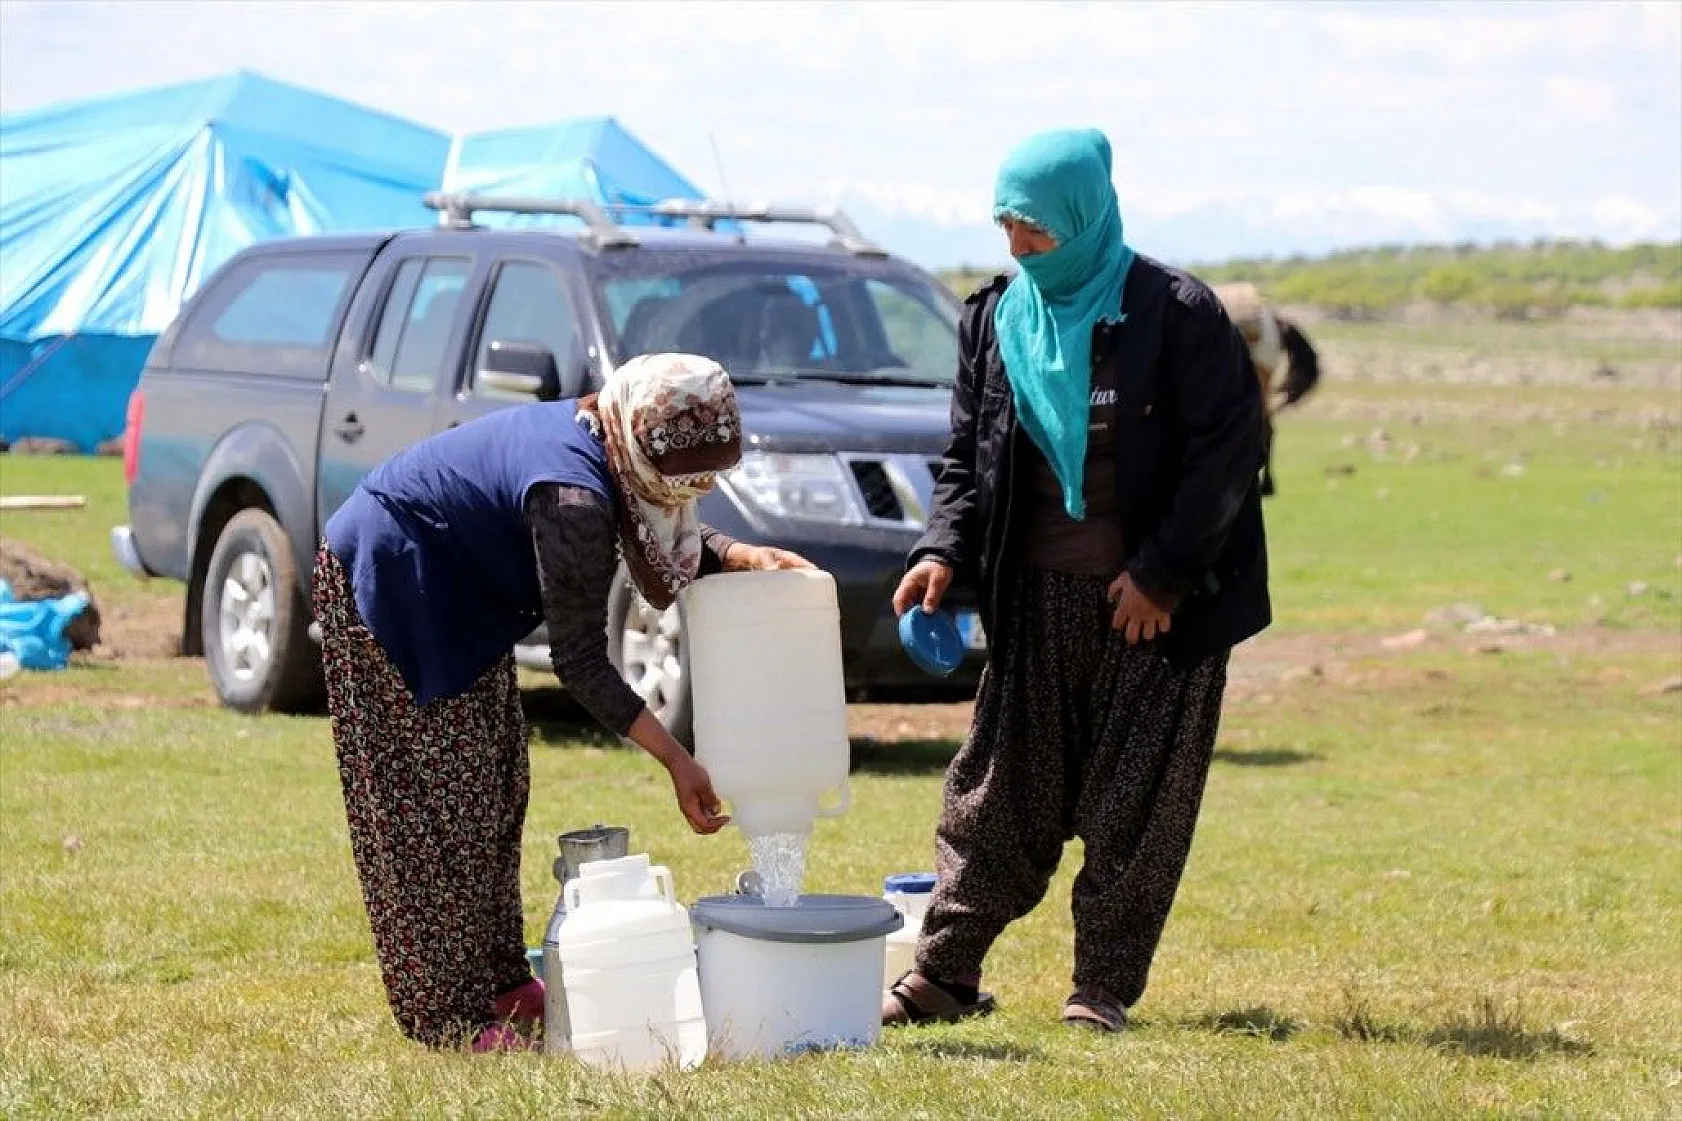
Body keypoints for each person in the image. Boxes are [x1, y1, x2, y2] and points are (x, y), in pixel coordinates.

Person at [882, 129, 1271, 1033]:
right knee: (997, 790)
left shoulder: (1176, 314)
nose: (1017, 247)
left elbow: (1228, 454)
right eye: (1007, 225)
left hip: (1155, 611)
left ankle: (1101, 985)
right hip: (1036, 602)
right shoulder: (994, 320)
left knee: (1137, 801)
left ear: (1084, 217)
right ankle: (945, 973)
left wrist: (1164, 575)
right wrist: (940, 551)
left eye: (1036, 230)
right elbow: (963, 460)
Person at [313, 353, 812, 1052]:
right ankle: (447, 1015)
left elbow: (651, 514)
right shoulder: (571, 496)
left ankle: (498, 978)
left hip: (460, 590)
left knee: (495, 786)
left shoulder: (608, 438)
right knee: (428, 810)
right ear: (642, 440)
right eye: (682, 479)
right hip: (393, 579)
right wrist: (676, 759)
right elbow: (578, 659)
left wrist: (738, 552)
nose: (691, 494)